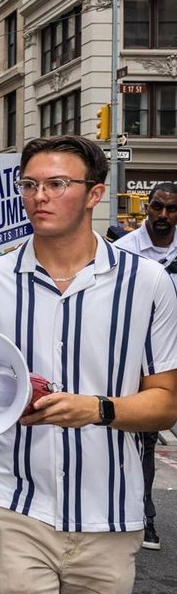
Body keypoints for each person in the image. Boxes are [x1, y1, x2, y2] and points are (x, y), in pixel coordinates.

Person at [0, 136, 177, 594]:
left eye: (57, 184)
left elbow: (166, 400)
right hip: (17, 505)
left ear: (95, 194)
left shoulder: (146, 283)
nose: (40, 196)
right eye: (30, 185)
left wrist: (98, 409)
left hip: (110, 514)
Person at [112, 181, 177, 551]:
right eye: (157, 207)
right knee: (145, 440)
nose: (163, 215)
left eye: (171, 209)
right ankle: (144, 518)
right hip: (145, 365)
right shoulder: (124, 252)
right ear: (146, 208)